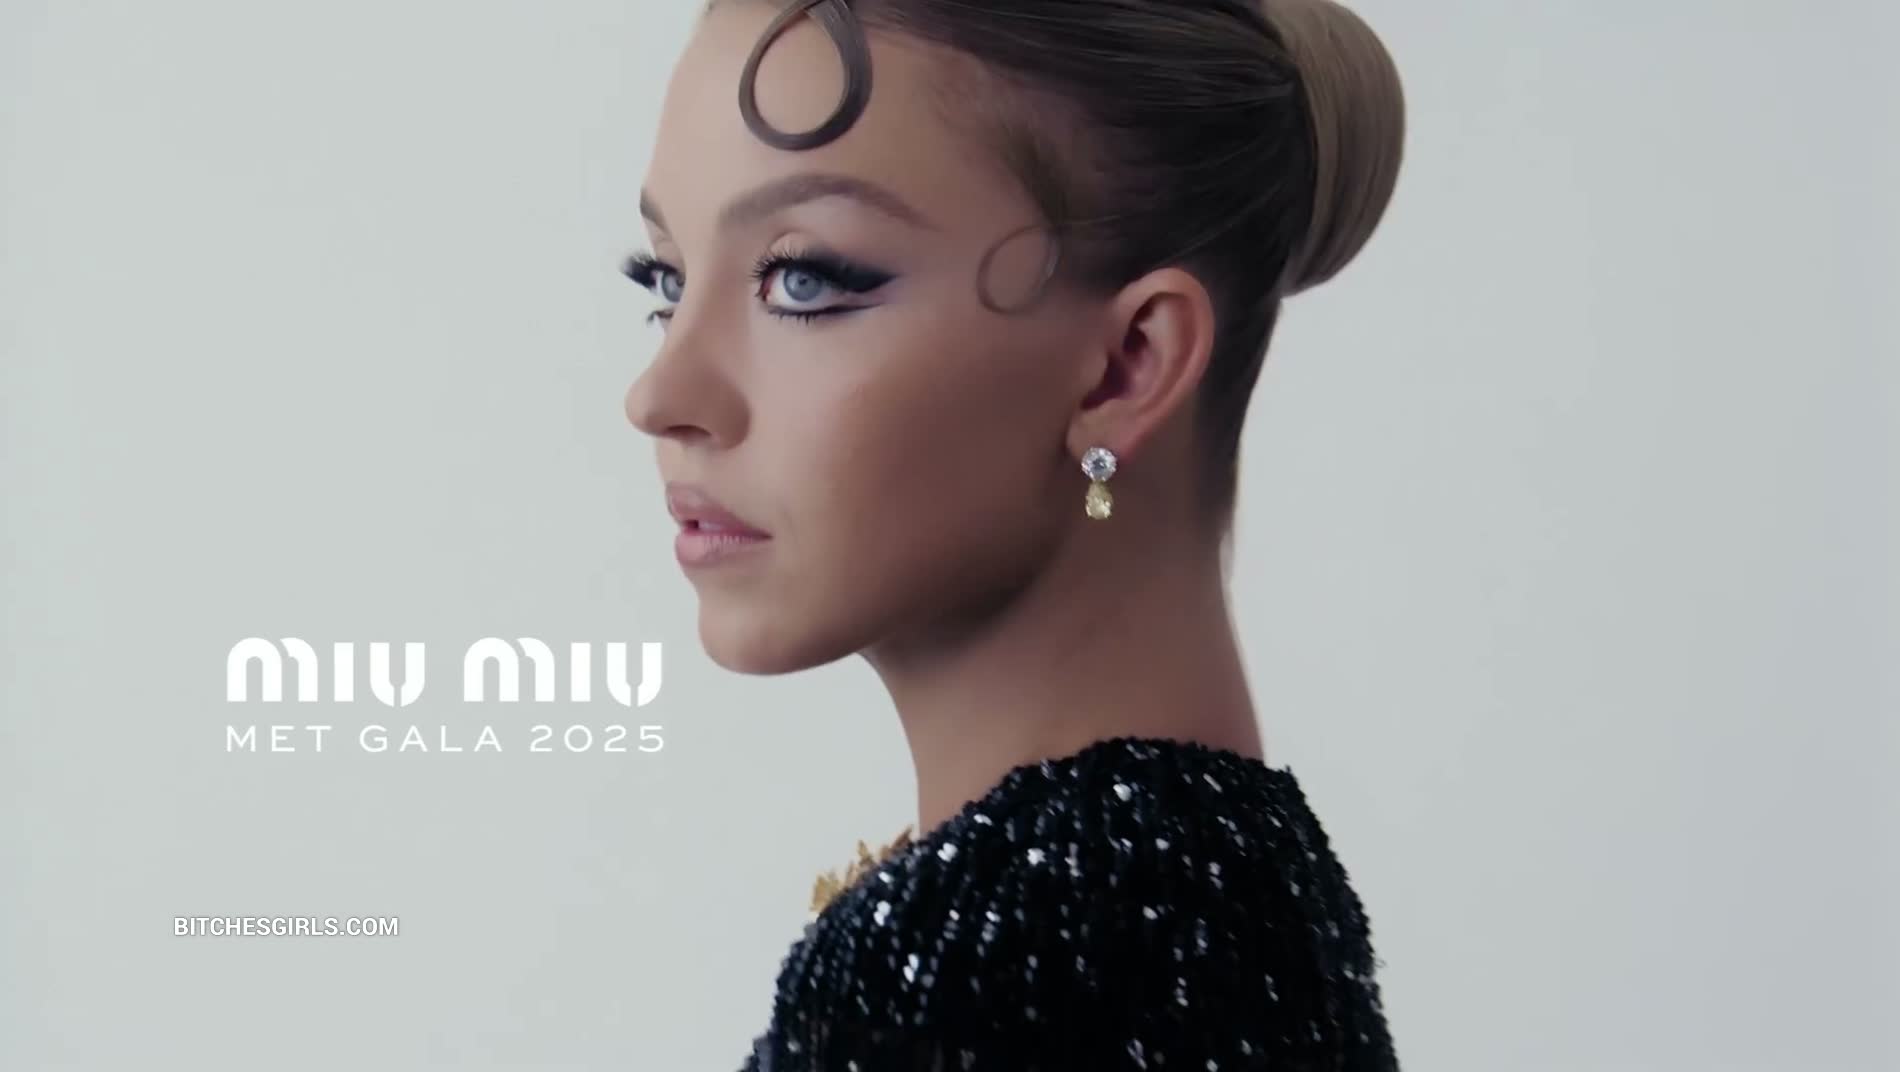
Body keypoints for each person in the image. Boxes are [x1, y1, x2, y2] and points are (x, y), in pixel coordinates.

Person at [622, 0, 1406, 1066]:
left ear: (1125, 366)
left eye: (805, 279)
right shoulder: (1217, 901)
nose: (661, 394)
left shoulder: (1009, 968)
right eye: (665, 282)